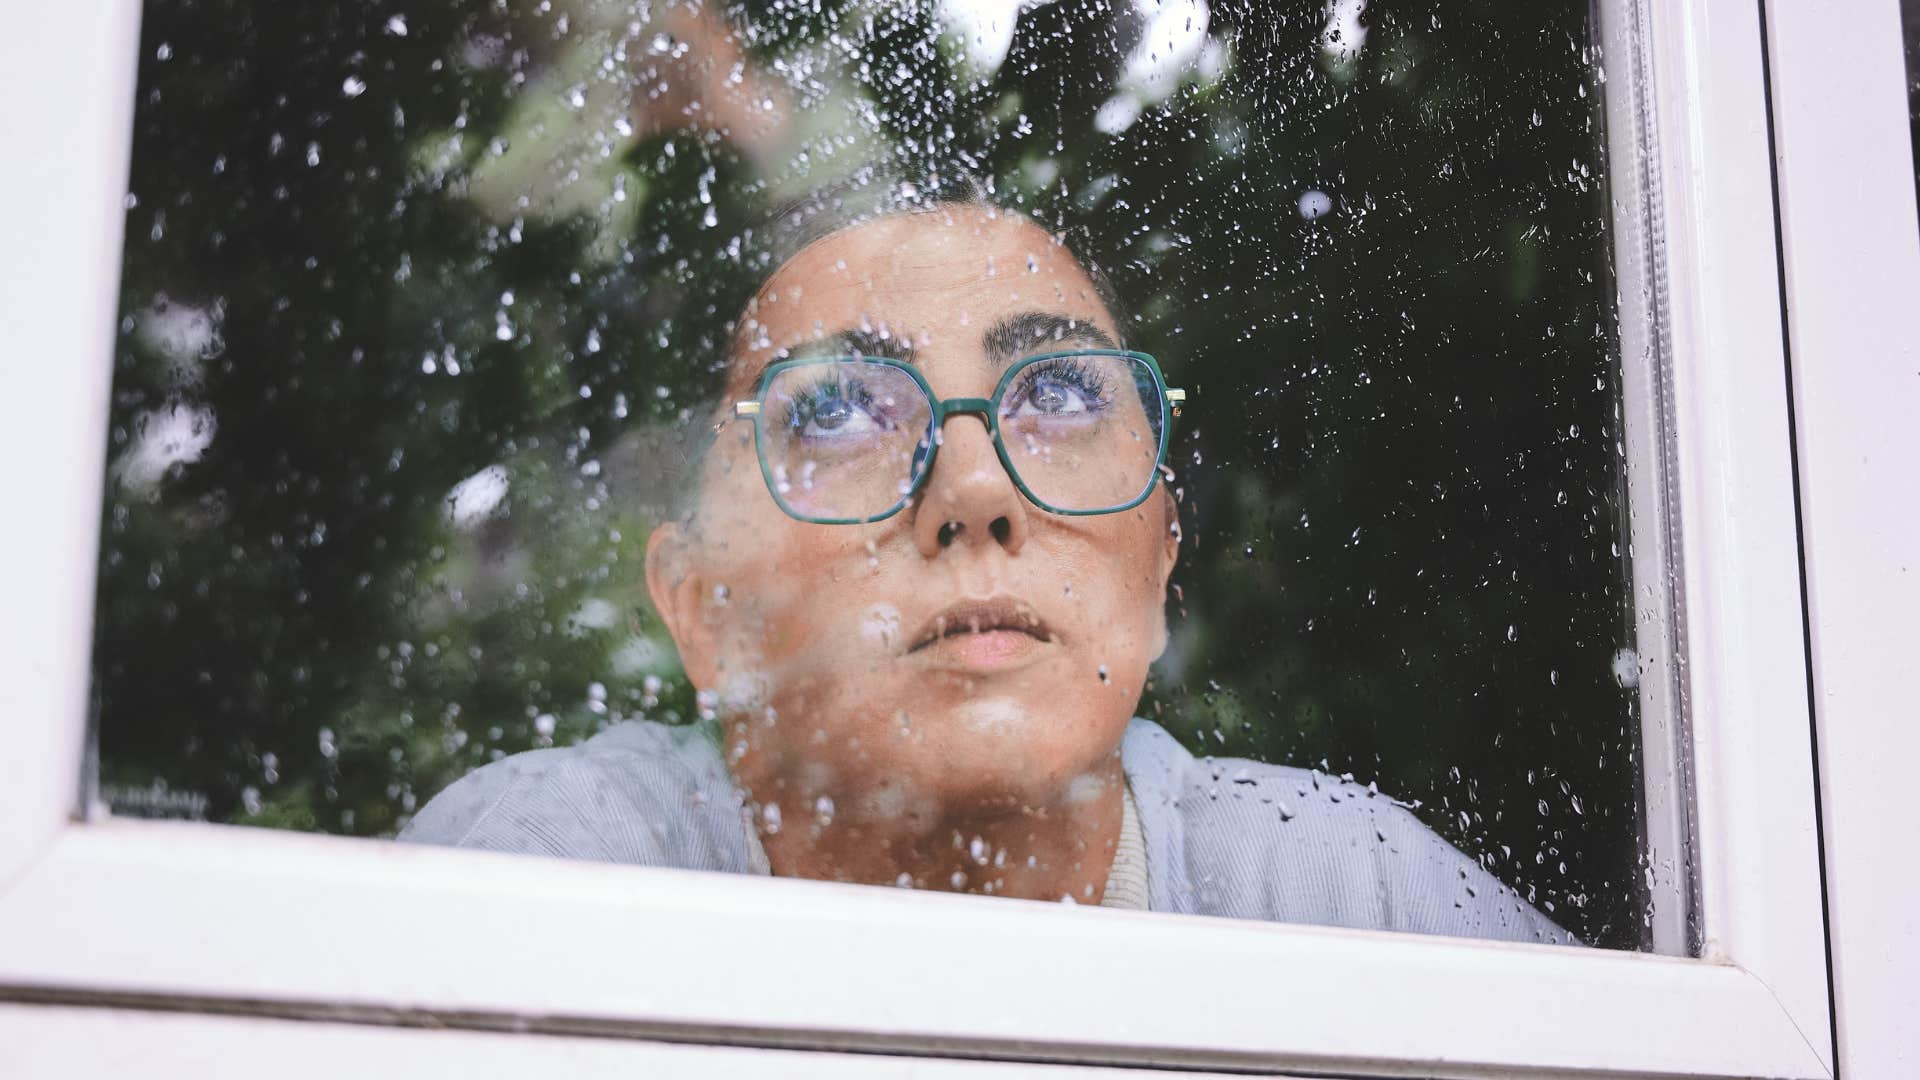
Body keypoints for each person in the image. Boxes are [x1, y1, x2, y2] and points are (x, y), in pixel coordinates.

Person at [402, 179, 1573, 945]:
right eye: (840, 412)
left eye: (1060, 392)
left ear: (1161, 559)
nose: (977, 489)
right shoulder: (555, 891)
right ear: (706, 607)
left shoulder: (1351, 906)